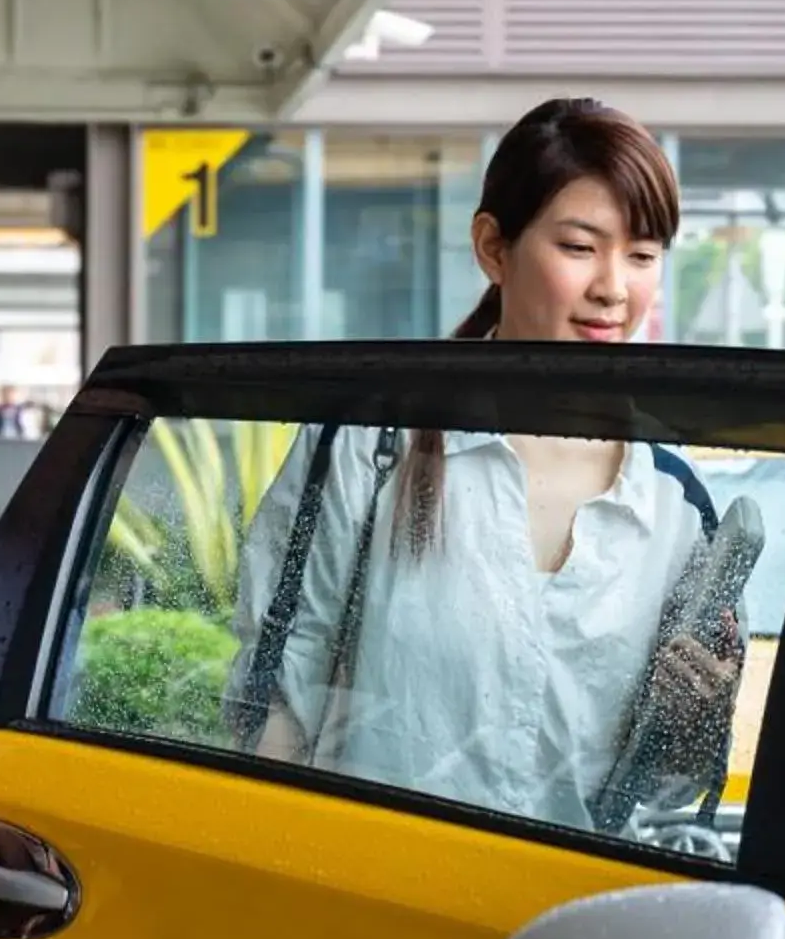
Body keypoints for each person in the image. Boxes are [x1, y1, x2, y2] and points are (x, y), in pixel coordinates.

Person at [227, 96, 748, 840]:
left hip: (575, 930)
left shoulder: (675, 508)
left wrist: (693, 716)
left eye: (642, 254)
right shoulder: (369, 451)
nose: (614, 287)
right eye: (579, 247)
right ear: (493, 248)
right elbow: (270, 708)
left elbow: (659, 800)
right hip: (373, 906)